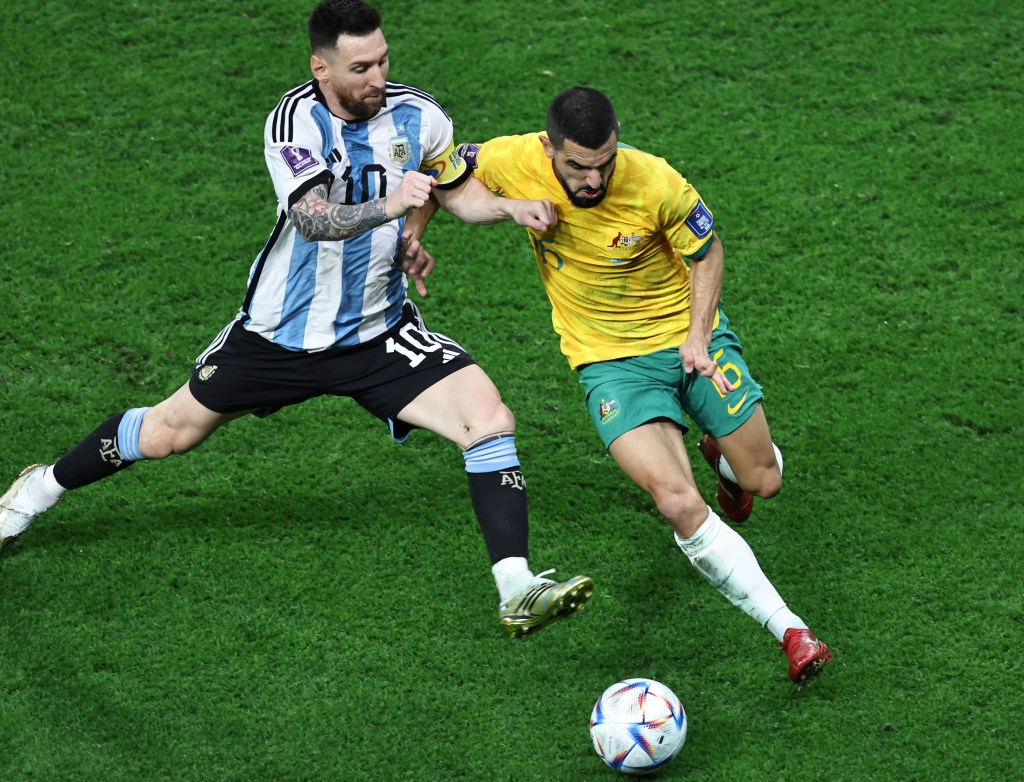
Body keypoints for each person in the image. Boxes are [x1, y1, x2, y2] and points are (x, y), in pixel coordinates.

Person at [0, 0, 594, 640]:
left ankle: (517, 588)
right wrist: (392, 206)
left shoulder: (418, 115)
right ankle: (40, 489)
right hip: (279, 335)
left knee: (490, 418)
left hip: (379, 333)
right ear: (321, 68)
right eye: (361, 67)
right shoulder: (294, 123)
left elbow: (452, 190)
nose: (377, 77)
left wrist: (509, 208)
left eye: (383, 60)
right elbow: (313, 219)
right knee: (169, 432)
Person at [429, 87, 831, 682]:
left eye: (604, 164)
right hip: (610, 363)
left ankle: (726, 460)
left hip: (691, 341)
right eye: (577, 168)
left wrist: (698, 336)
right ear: (549, 149)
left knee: (765, 480)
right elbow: (440, 173)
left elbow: (708, 252)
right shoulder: (515, 159)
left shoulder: (656, 181)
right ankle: (791, 631)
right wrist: (427, 232)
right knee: (675, 500)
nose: (592, 181)